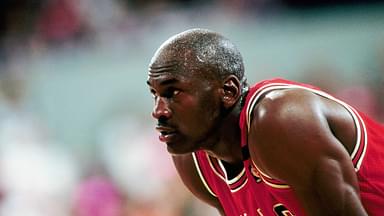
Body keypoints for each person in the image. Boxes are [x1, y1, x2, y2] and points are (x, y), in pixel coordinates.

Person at [146, 28, 384, 216]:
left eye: (173, 93)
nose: (158, 111)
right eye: (154, 94)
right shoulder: (193, 162)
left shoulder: (281, 121)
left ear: (228, 92)